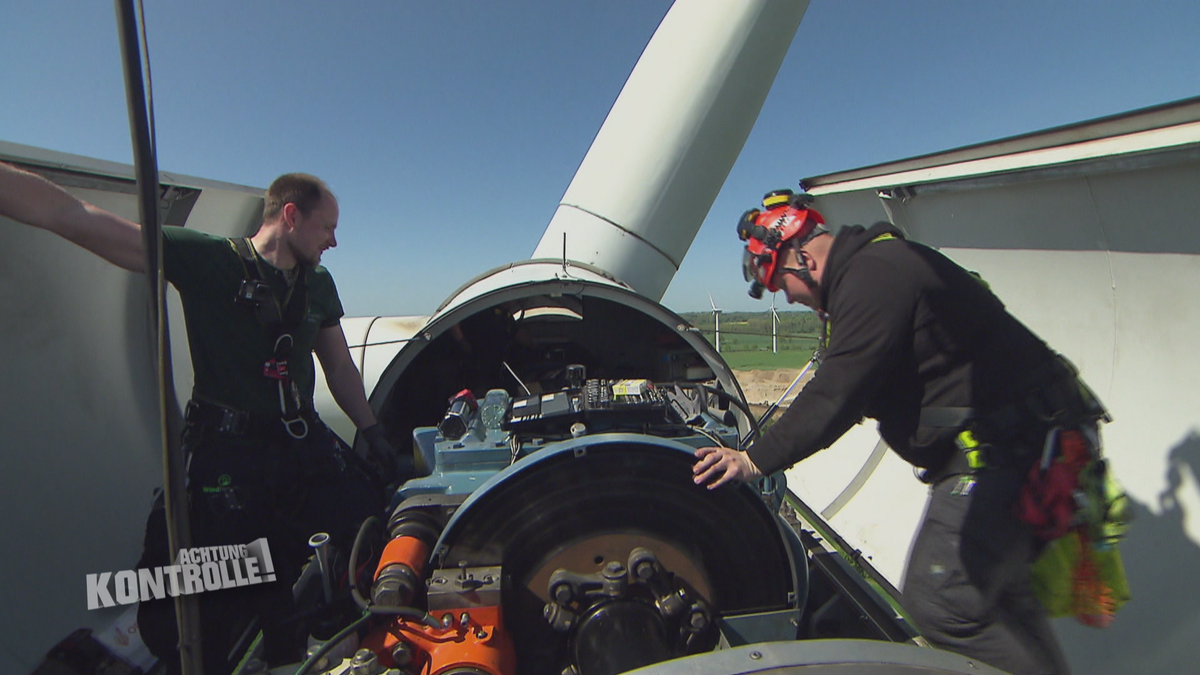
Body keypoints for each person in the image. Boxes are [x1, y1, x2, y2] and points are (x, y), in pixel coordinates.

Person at [0, 163, 401, 673]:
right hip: (228, 457)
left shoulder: (317, 284)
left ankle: (318, 643)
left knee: (368, 516)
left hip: (299, 446)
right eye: (329, 227)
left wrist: (371, 431)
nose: (335, 242)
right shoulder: (210, 259)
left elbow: (339, 365)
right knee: (207, 592)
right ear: (292, 215)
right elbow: (72, 215)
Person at [693, 189, 1097, 675]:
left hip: (1007, 454)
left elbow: (837, 392)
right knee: (1002, 601)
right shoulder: (871, 274)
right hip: (1025, 446)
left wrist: (754, 459)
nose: (788, 298)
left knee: (943, 603)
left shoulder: (873, 276)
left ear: (802, 257)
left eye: (781, 283)